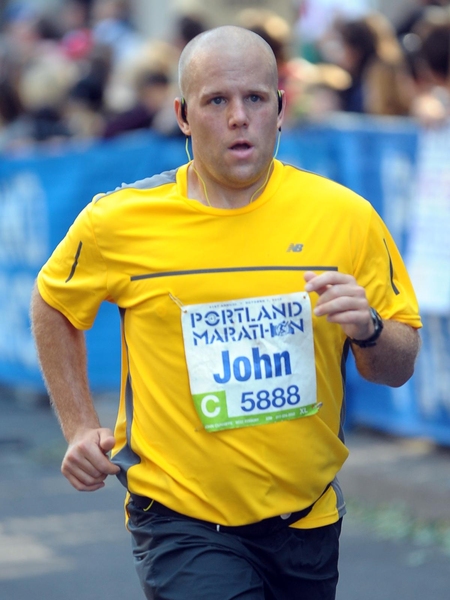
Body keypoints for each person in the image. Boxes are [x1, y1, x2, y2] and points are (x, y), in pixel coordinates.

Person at [30, 25, 422, 600]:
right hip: (179, 520)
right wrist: (77, 425)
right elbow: (53, 303)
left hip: (305, 520)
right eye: (216, 100)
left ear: (281, 108)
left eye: (255, 99)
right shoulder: (117, 222)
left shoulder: (345, 217)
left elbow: (398, 364)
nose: (238, 117)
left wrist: (367, 329)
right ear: (183, 116)